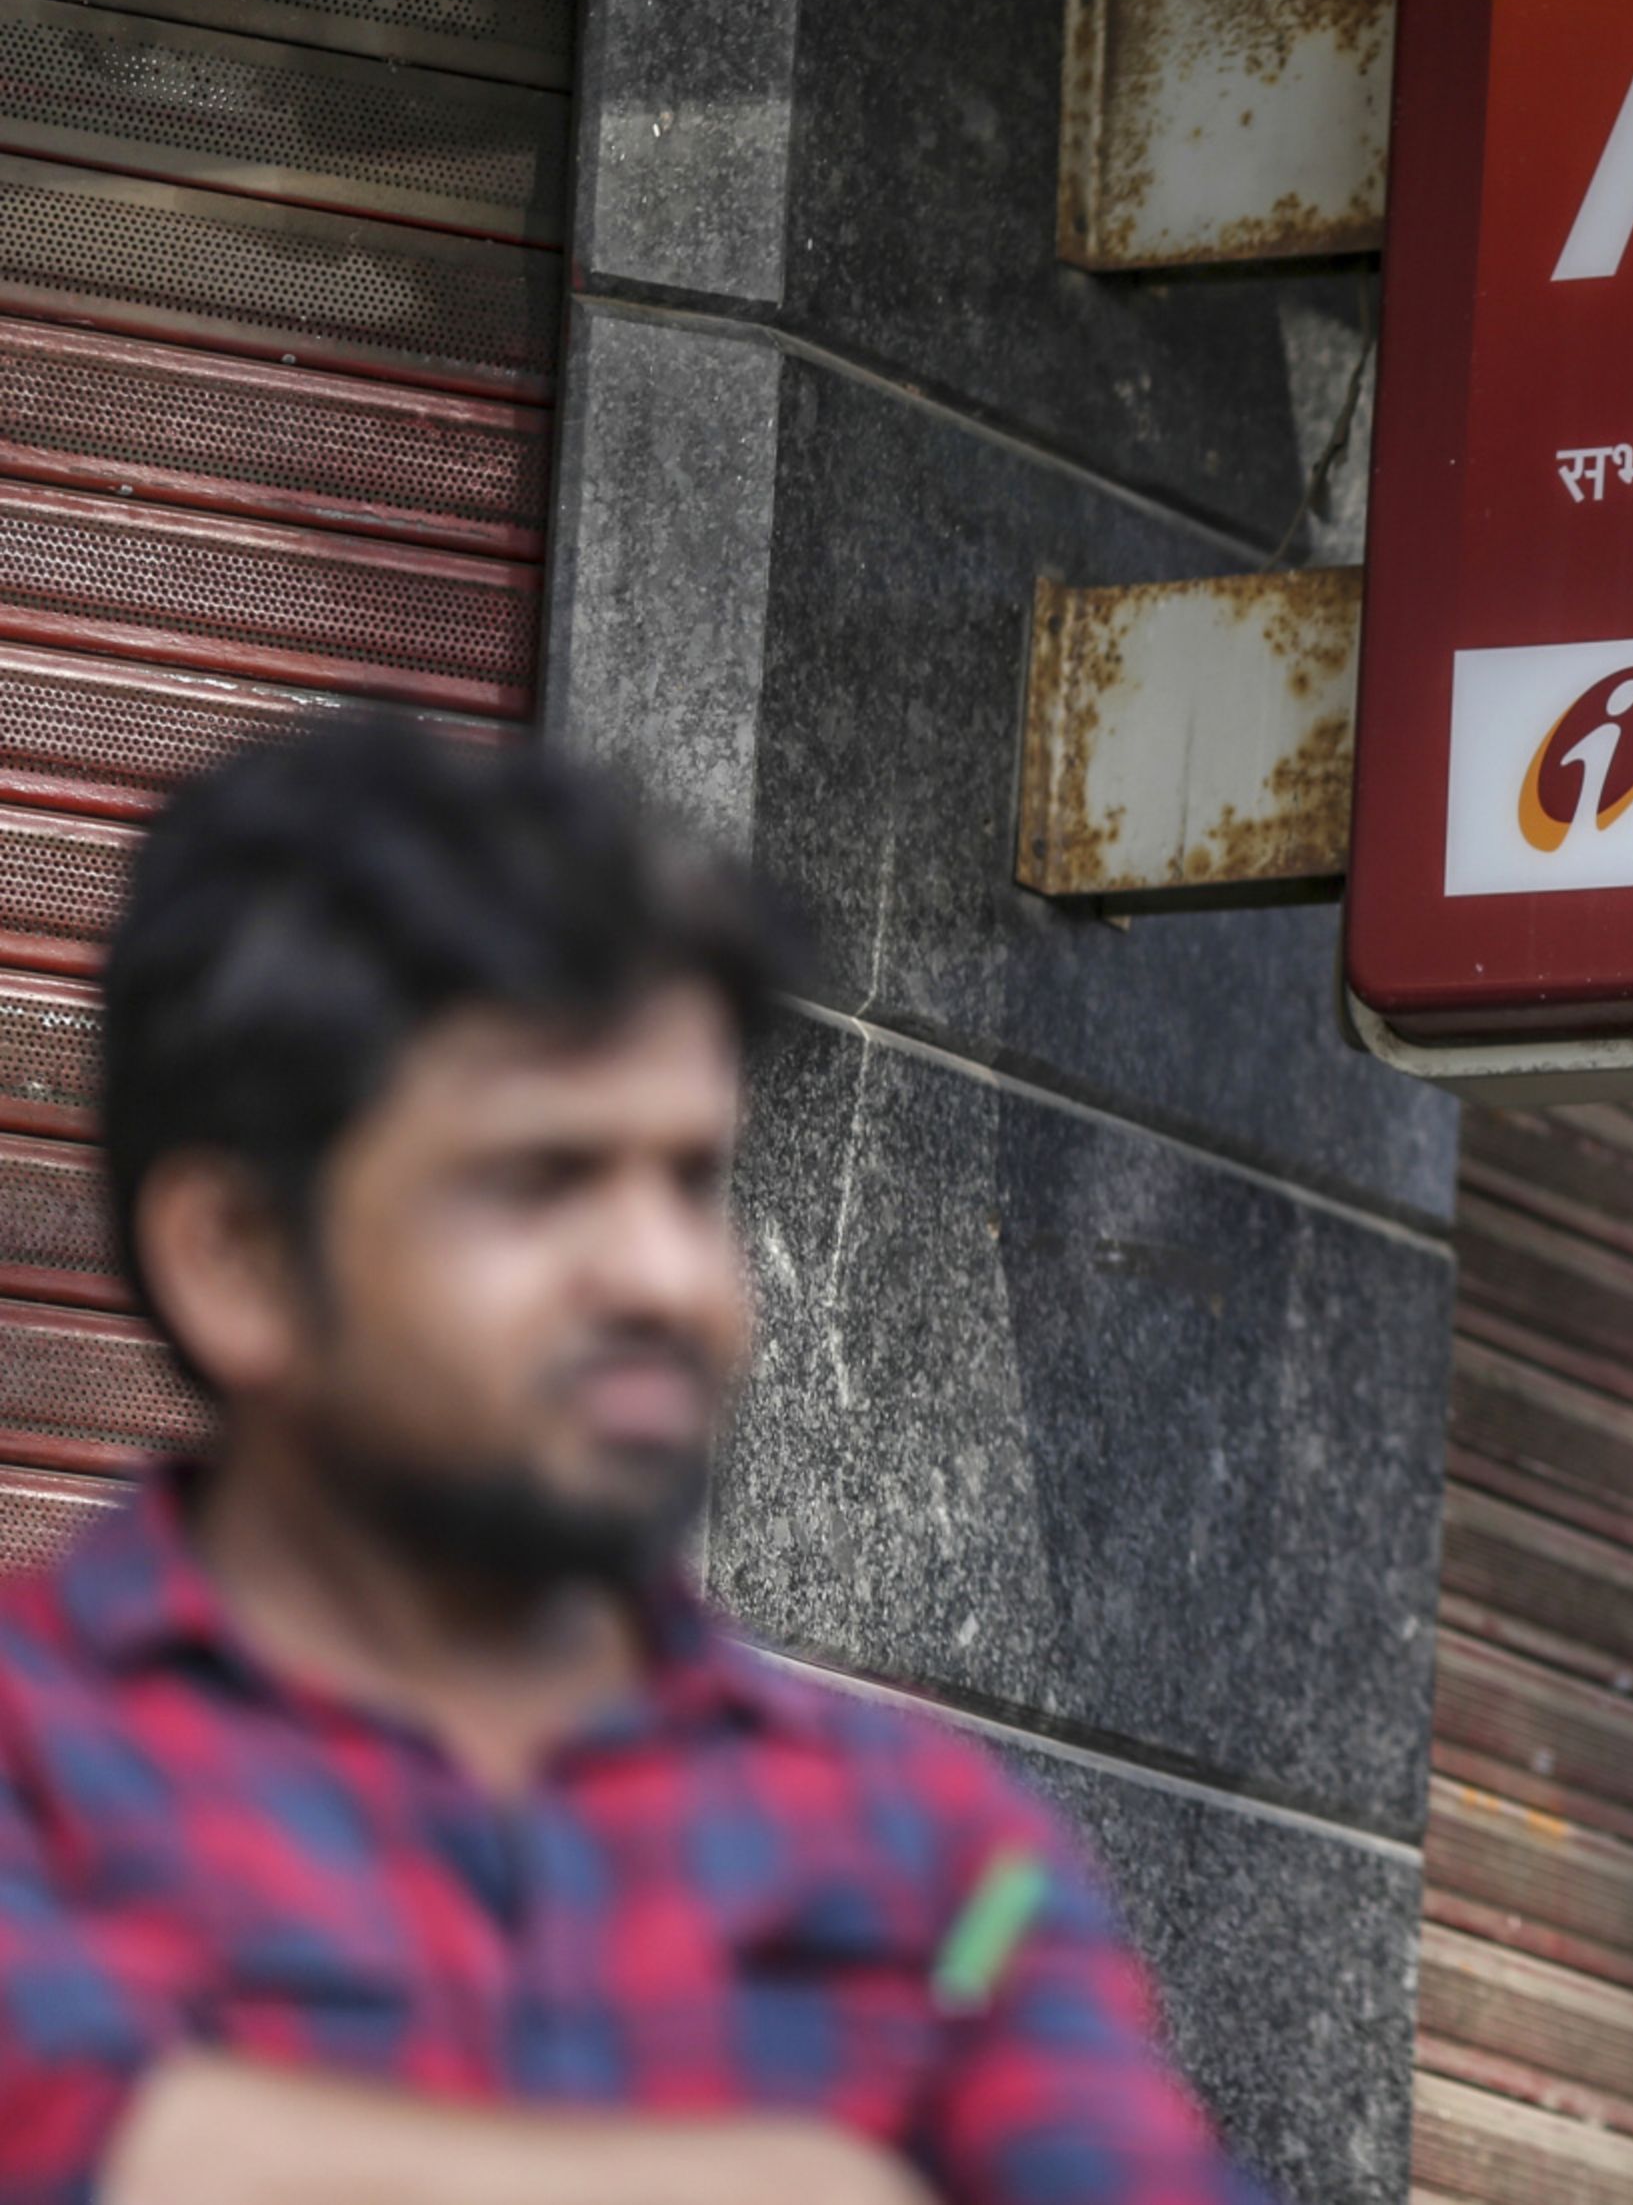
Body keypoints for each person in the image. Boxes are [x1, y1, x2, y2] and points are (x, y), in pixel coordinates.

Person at [0, 720, 1270, 2205]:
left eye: (693, 1179)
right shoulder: (38, 1754)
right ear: (238, 1259)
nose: (665, 1281)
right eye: (540, 1182)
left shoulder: (937, 1858)